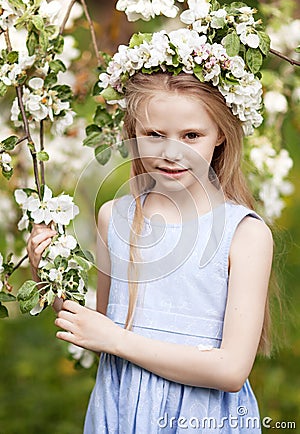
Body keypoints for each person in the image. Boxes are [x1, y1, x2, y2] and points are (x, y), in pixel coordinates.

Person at [27, 70, 273, 433]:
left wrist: (116, 340)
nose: (172, 152)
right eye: (154, 135)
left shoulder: (244, 233)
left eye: (191, 135)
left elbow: (231, 370)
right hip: (124, 406)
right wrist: (47, 276)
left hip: (200, 416)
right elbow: (107, 328)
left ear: (220, 134)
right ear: (133, 134)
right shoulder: (116, 216)